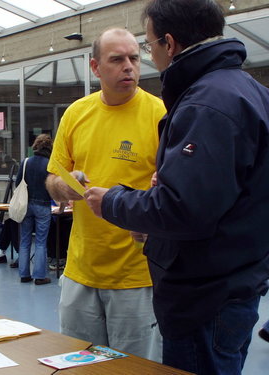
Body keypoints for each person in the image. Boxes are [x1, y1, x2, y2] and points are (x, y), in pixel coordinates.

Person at [84, 1, 269, 374]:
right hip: (233, 281)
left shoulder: (207, 104)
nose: (140, 63)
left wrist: (115, 202)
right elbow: (224, 196)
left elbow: (184, 209)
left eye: (146, 49)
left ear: (169, 43)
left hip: (205, 296)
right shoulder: (246, 91)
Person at [46, 28, 166, 360]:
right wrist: (63, 187)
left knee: (135, 368)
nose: (129, 66)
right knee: (80, 364)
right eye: (117, 59)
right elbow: (53, 178)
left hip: (137, 275)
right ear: (96, 67)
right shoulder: (76, 114)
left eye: (134, 58)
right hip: (81, 272)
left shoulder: (161, 115)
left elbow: (173, 192)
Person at [18, 133, 53, 285]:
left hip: (26, 205)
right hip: (43, 205)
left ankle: (24, 274)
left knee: (25, 240)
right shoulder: (50, 164)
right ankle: (39, 276)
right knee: (40, 241)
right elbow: (53, 188)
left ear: (35, 146)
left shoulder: (25, 162)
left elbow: (18, 183)